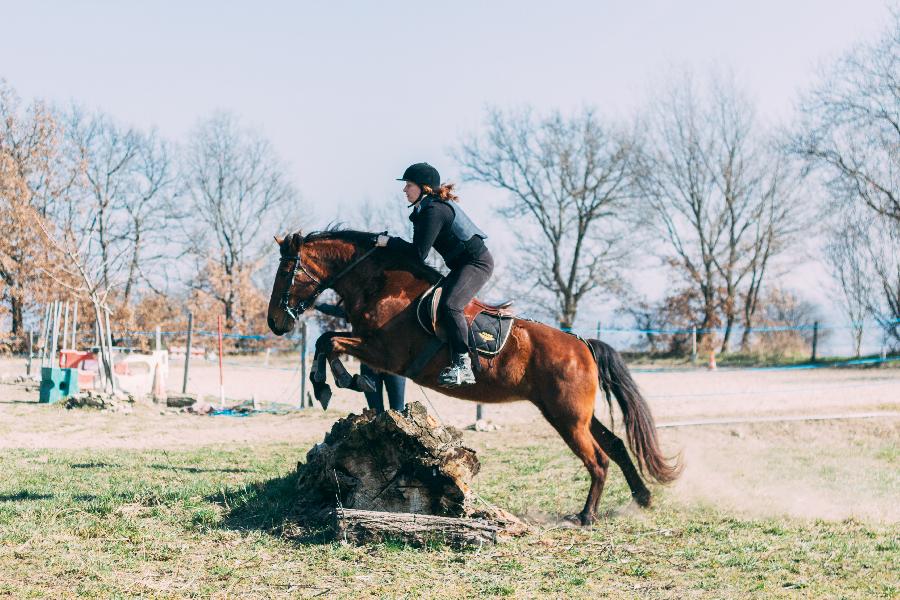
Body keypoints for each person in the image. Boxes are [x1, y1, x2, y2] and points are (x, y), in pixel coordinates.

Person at [375, 162, 493, 387]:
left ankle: (463, 365)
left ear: (423, 188)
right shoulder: (425, 208)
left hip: (477, 264)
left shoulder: (434, 210)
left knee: (450, 305)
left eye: (408, 185)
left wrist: (389, 242)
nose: (404, 189)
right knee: (432, 302)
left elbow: (418, 254)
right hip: (461, 266)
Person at [314, 302, 406, 413]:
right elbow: (340, 311)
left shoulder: (391, 304)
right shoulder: (360, 305)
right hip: (369, 366)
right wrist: (315, 304)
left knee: (398, 412)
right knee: (375, 414)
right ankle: (344, 380)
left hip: (393, 365)